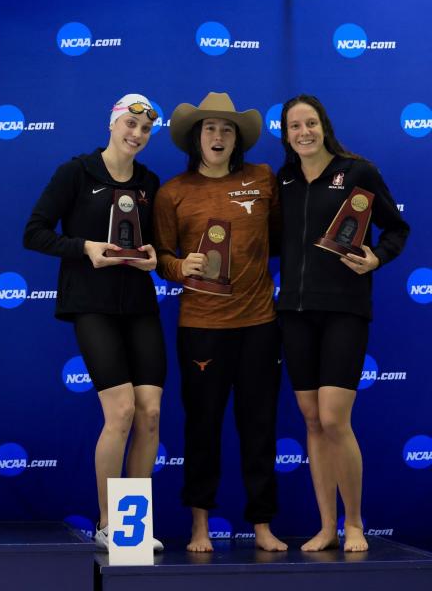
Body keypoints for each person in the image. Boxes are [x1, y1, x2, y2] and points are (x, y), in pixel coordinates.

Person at [24, 94, 165, 551]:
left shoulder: (150, 182)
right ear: (112, 123)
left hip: (140, 306)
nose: (136, 135)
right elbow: (36, 232)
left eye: (145, 130)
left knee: (150, 414)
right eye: (130, 124)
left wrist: (153, 258)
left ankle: (135, 528)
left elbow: (157, 247)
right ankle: (111, 524)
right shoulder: (77, 172)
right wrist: (85, 248)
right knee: (121, 411)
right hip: (91, 305)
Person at [153, 92, 286, 552]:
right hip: (201, 327)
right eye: (210, 128)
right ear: (196, 136)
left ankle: (264, 525)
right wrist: (178, 267)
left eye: (227, 129)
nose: (218, 136)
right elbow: (162, 258)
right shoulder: (172, 192)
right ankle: (199, 527)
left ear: (238, 139)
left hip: (260, 325)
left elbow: (285, 238)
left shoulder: (263, 179)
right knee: (202, 427)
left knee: (260, 426)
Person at [277, 95, 408, 552]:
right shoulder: (285, 180)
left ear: (323, 126)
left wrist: (377, 257)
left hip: (344, 310)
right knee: (312, 421)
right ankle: (326, 526)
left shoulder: (358, 173)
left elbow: (397, 229)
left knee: (334, 419)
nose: (304, 132)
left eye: (310, 123)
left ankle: (355, 524)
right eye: (294, 126)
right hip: (293, 313)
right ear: (286, 135)